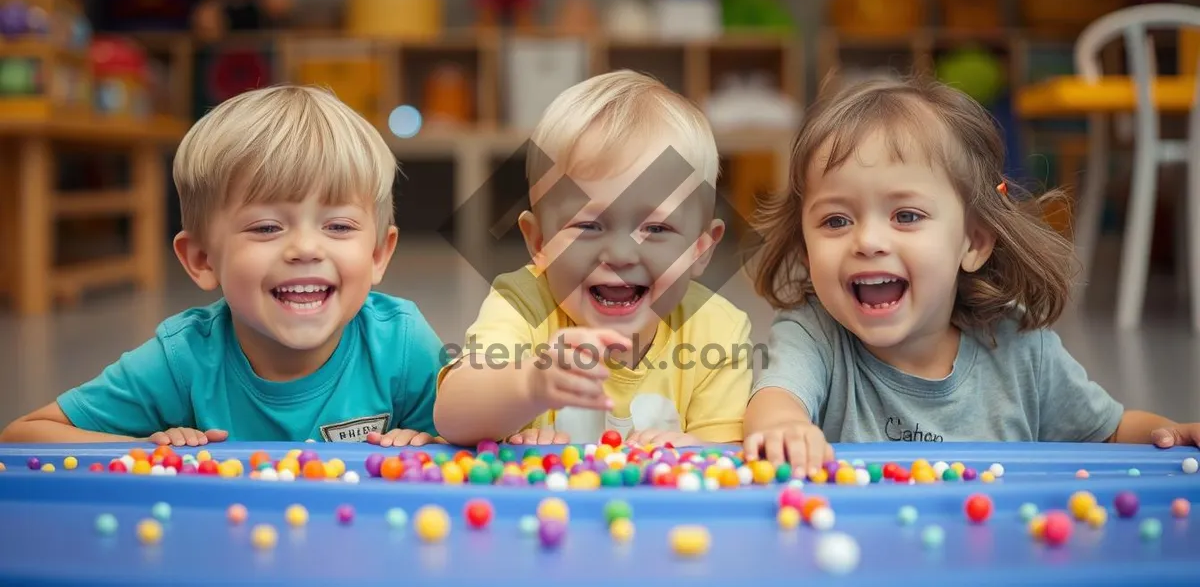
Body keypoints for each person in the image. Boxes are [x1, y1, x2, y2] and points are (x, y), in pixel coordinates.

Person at [742, 77, 1200, 475]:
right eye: (836, 221)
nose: (868, 241)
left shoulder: (1022, 347)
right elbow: (778, 397)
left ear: (974, 243)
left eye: (906, 215)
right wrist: (783, 425)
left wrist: (1171, 434)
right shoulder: (815, 334)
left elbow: (1110, 433)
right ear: (805, 247)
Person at [0, 86, 443, 446]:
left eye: (339, 226)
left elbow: (494, 441)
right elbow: (26, 437)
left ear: (378, 254)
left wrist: (431, 448)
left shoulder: (401, 343)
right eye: (267, 228)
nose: (306, 248)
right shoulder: (183, 358)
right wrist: (151, 453)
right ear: (202, 259)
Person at [434, 70, 753, 447]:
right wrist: (529, 385)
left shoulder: (718, 328)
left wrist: (701, 451)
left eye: (656, 229)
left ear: (700, 249)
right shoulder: (522, 303)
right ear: (539, 242)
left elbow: (731, 463)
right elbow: (451, 417)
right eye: (588, 226)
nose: (619, 254)